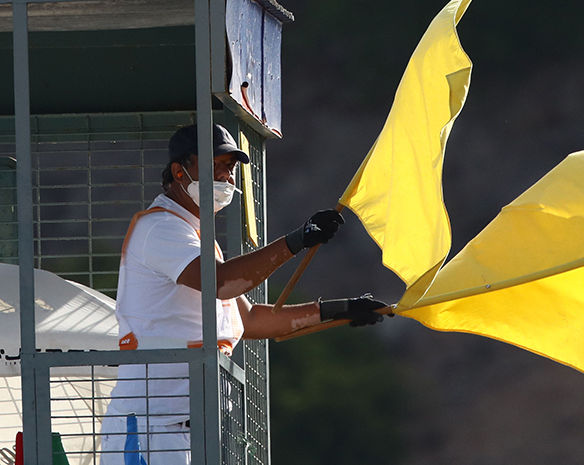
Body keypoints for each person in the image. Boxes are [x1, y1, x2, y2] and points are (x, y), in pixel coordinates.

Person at [99, 123, 387, 465]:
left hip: (187, 429)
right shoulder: (160, 228)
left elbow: (249, 319)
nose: (226, 178)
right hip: (151, 429)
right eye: (216, 166)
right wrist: (297, 240)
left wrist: (340, 310)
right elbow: (221, 283)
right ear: (179, 172)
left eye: (231, 168)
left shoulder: (195, 239)